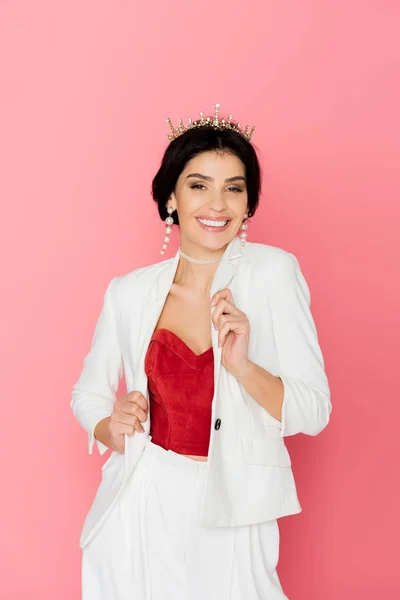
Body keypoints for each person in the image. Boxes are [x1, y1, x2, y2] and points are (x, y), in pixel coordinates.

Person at [71, 103, 332, 600]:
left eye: (234, 188)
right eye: (198, 185)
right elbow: (87, 394)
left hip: (234, 508)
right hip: (141, 506)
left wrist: (243, 367)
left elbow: (314, 411)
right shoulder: (128, 292)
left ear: (249, 202)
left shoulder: (275, 273)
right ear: (170, 196)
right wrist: (111, 425)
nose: (218, 204)